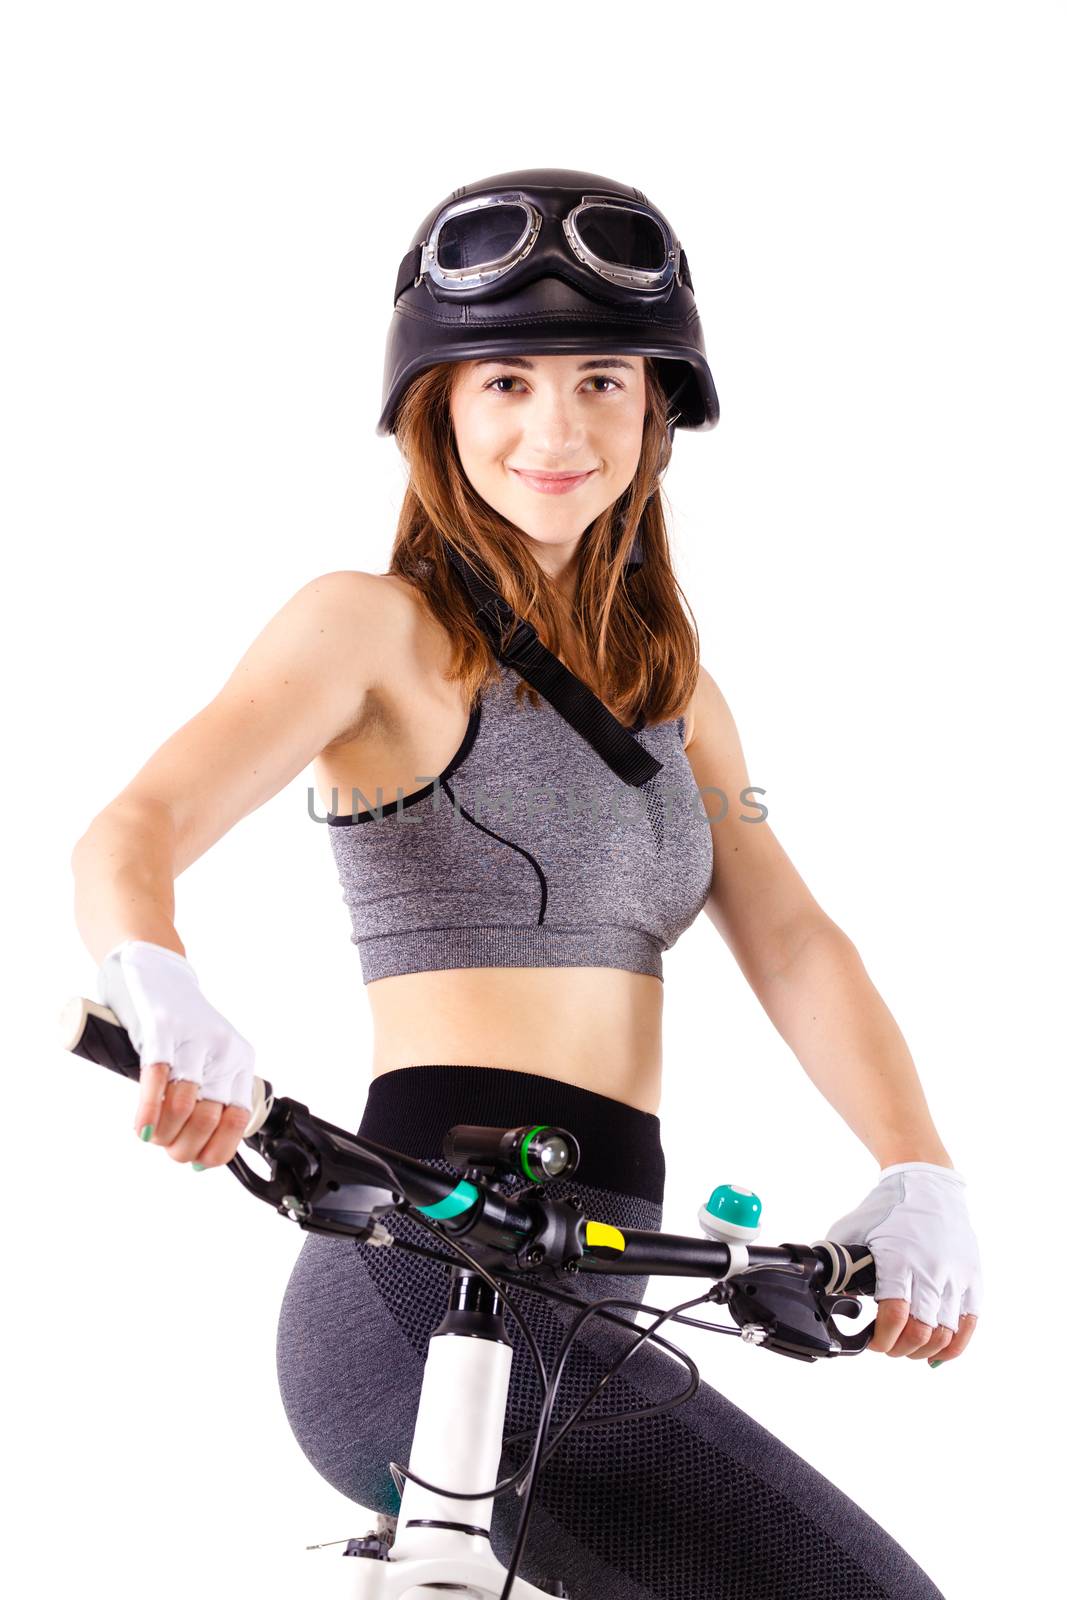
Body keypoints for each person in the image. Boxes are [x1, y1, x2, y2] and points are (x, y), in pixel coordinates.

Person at [73, 168, 981, 1598]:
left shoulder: (677, 701)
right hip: (426, 1282)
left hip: (596, 1273)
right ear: (439, 411)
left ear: (654, 412)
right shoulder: (374, 632)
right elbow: (134, 826)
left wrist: (920, 1169)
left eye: (601, 382)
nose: (556, 428)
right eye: (505, 381)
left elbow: (795, 935)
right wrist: (158, 976)